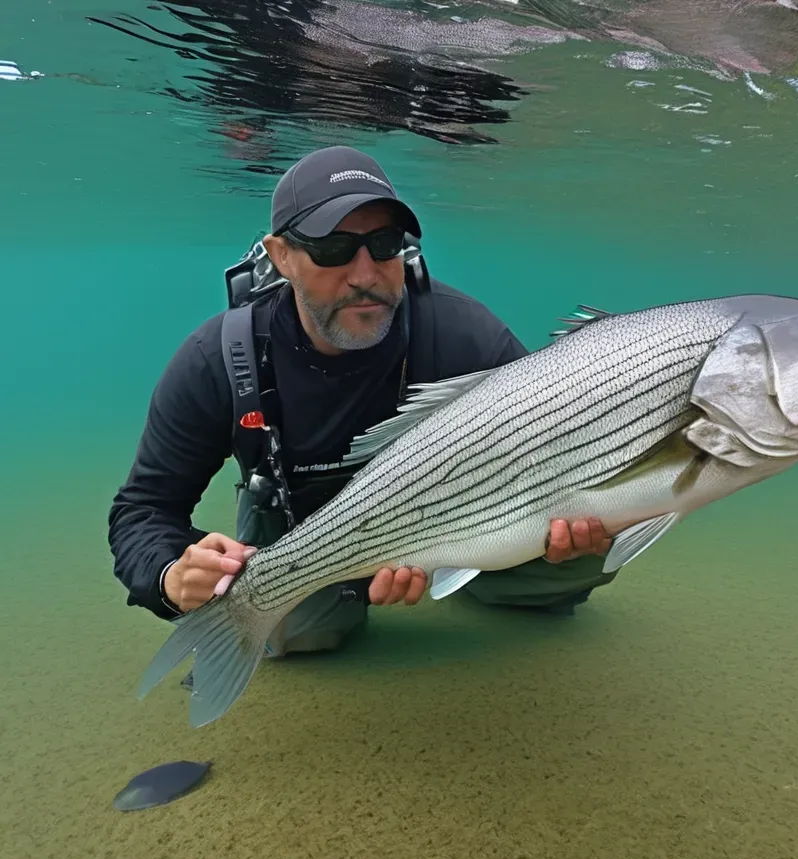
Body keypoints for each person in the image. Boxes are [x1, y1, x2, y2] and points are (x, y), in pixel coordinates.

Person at [107, 145, 620, 657]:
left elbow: (555, 452)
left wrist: (564, 527)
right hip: (303, 529)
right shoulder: (217, 358)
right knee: (295, 635)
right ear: (281, 255)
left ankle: (466, 573)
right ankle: (335, 589)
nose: (365, 274)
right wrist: (172, 575)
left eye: (384, 244)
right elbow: (144, 509)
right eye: (333, 247)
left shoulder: (466, 336)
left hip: (462, 516)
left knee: (575, 563)